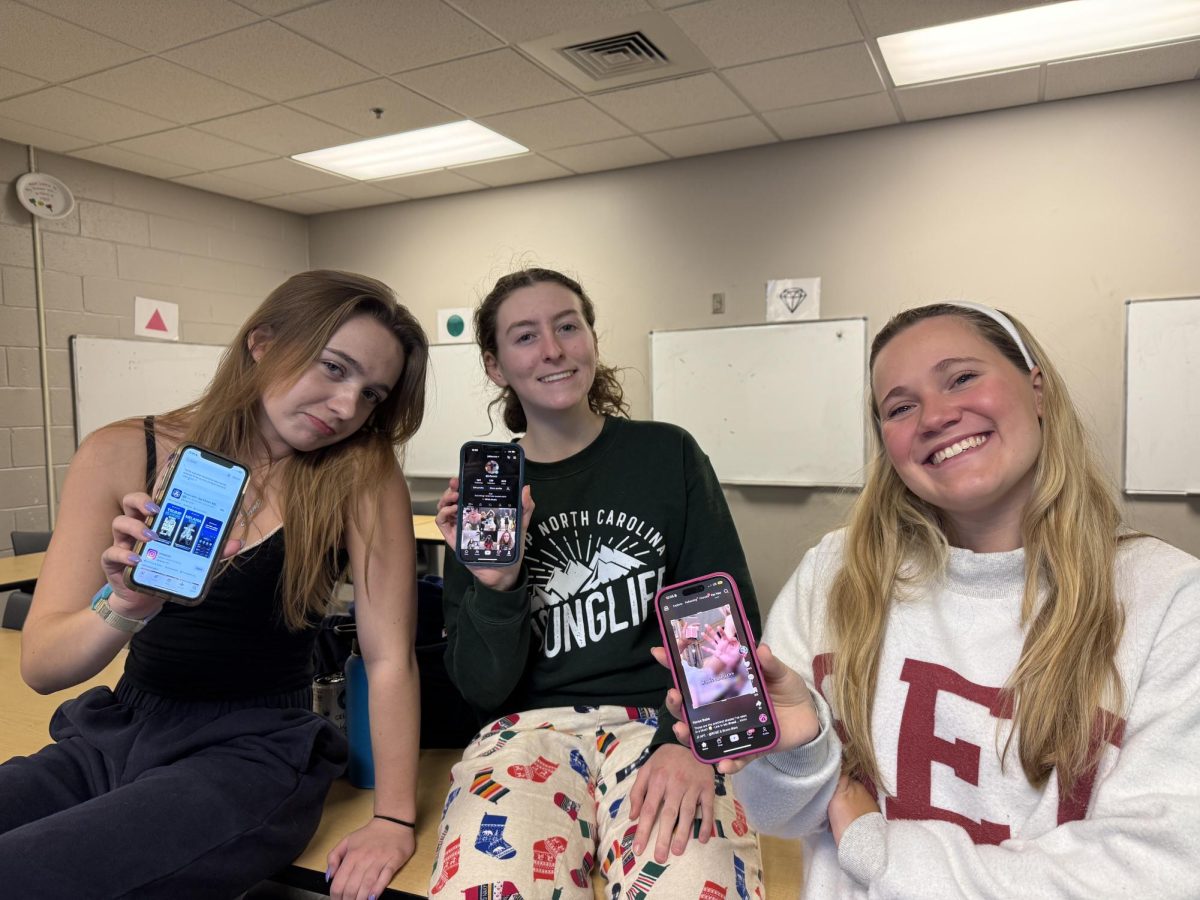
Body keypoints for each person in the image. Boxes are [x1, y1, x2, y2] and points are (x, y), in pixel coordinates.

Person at [675, 303, 1200, 898]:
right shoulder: (836, 573)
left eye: (961, 378)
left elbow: (1162, 874)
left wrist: (877, 846)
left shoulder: (1172, 601)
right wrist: (801, 753)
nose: (935, 416)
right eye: (901, 407)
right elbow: (777, 814)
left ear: (1039, 390)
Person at [1, 270, 430, 900]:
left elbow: (389, 657)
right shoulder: (122, 451)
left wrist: (392, 819)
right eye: (333, 368)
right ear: (262, 343)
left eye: (371, 395)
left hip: (256, 751)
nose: (347, 407)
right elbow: (42, 666)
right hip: (117, 729)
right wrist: (125, 605)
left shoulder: (360, 473)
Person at [431, 268, 765, 898]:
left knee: (690, 882)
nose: (552, 349)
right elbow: (480, 687)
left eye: (567, 326)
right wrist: (497, 583)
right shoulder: (483, 500)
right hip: (523, 734)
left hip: (661, 724)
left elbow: (721, 612)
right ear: (496, 365)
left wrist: (691, 745)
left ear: (590, 339)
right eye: (525, 336)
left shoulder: (667, 455)